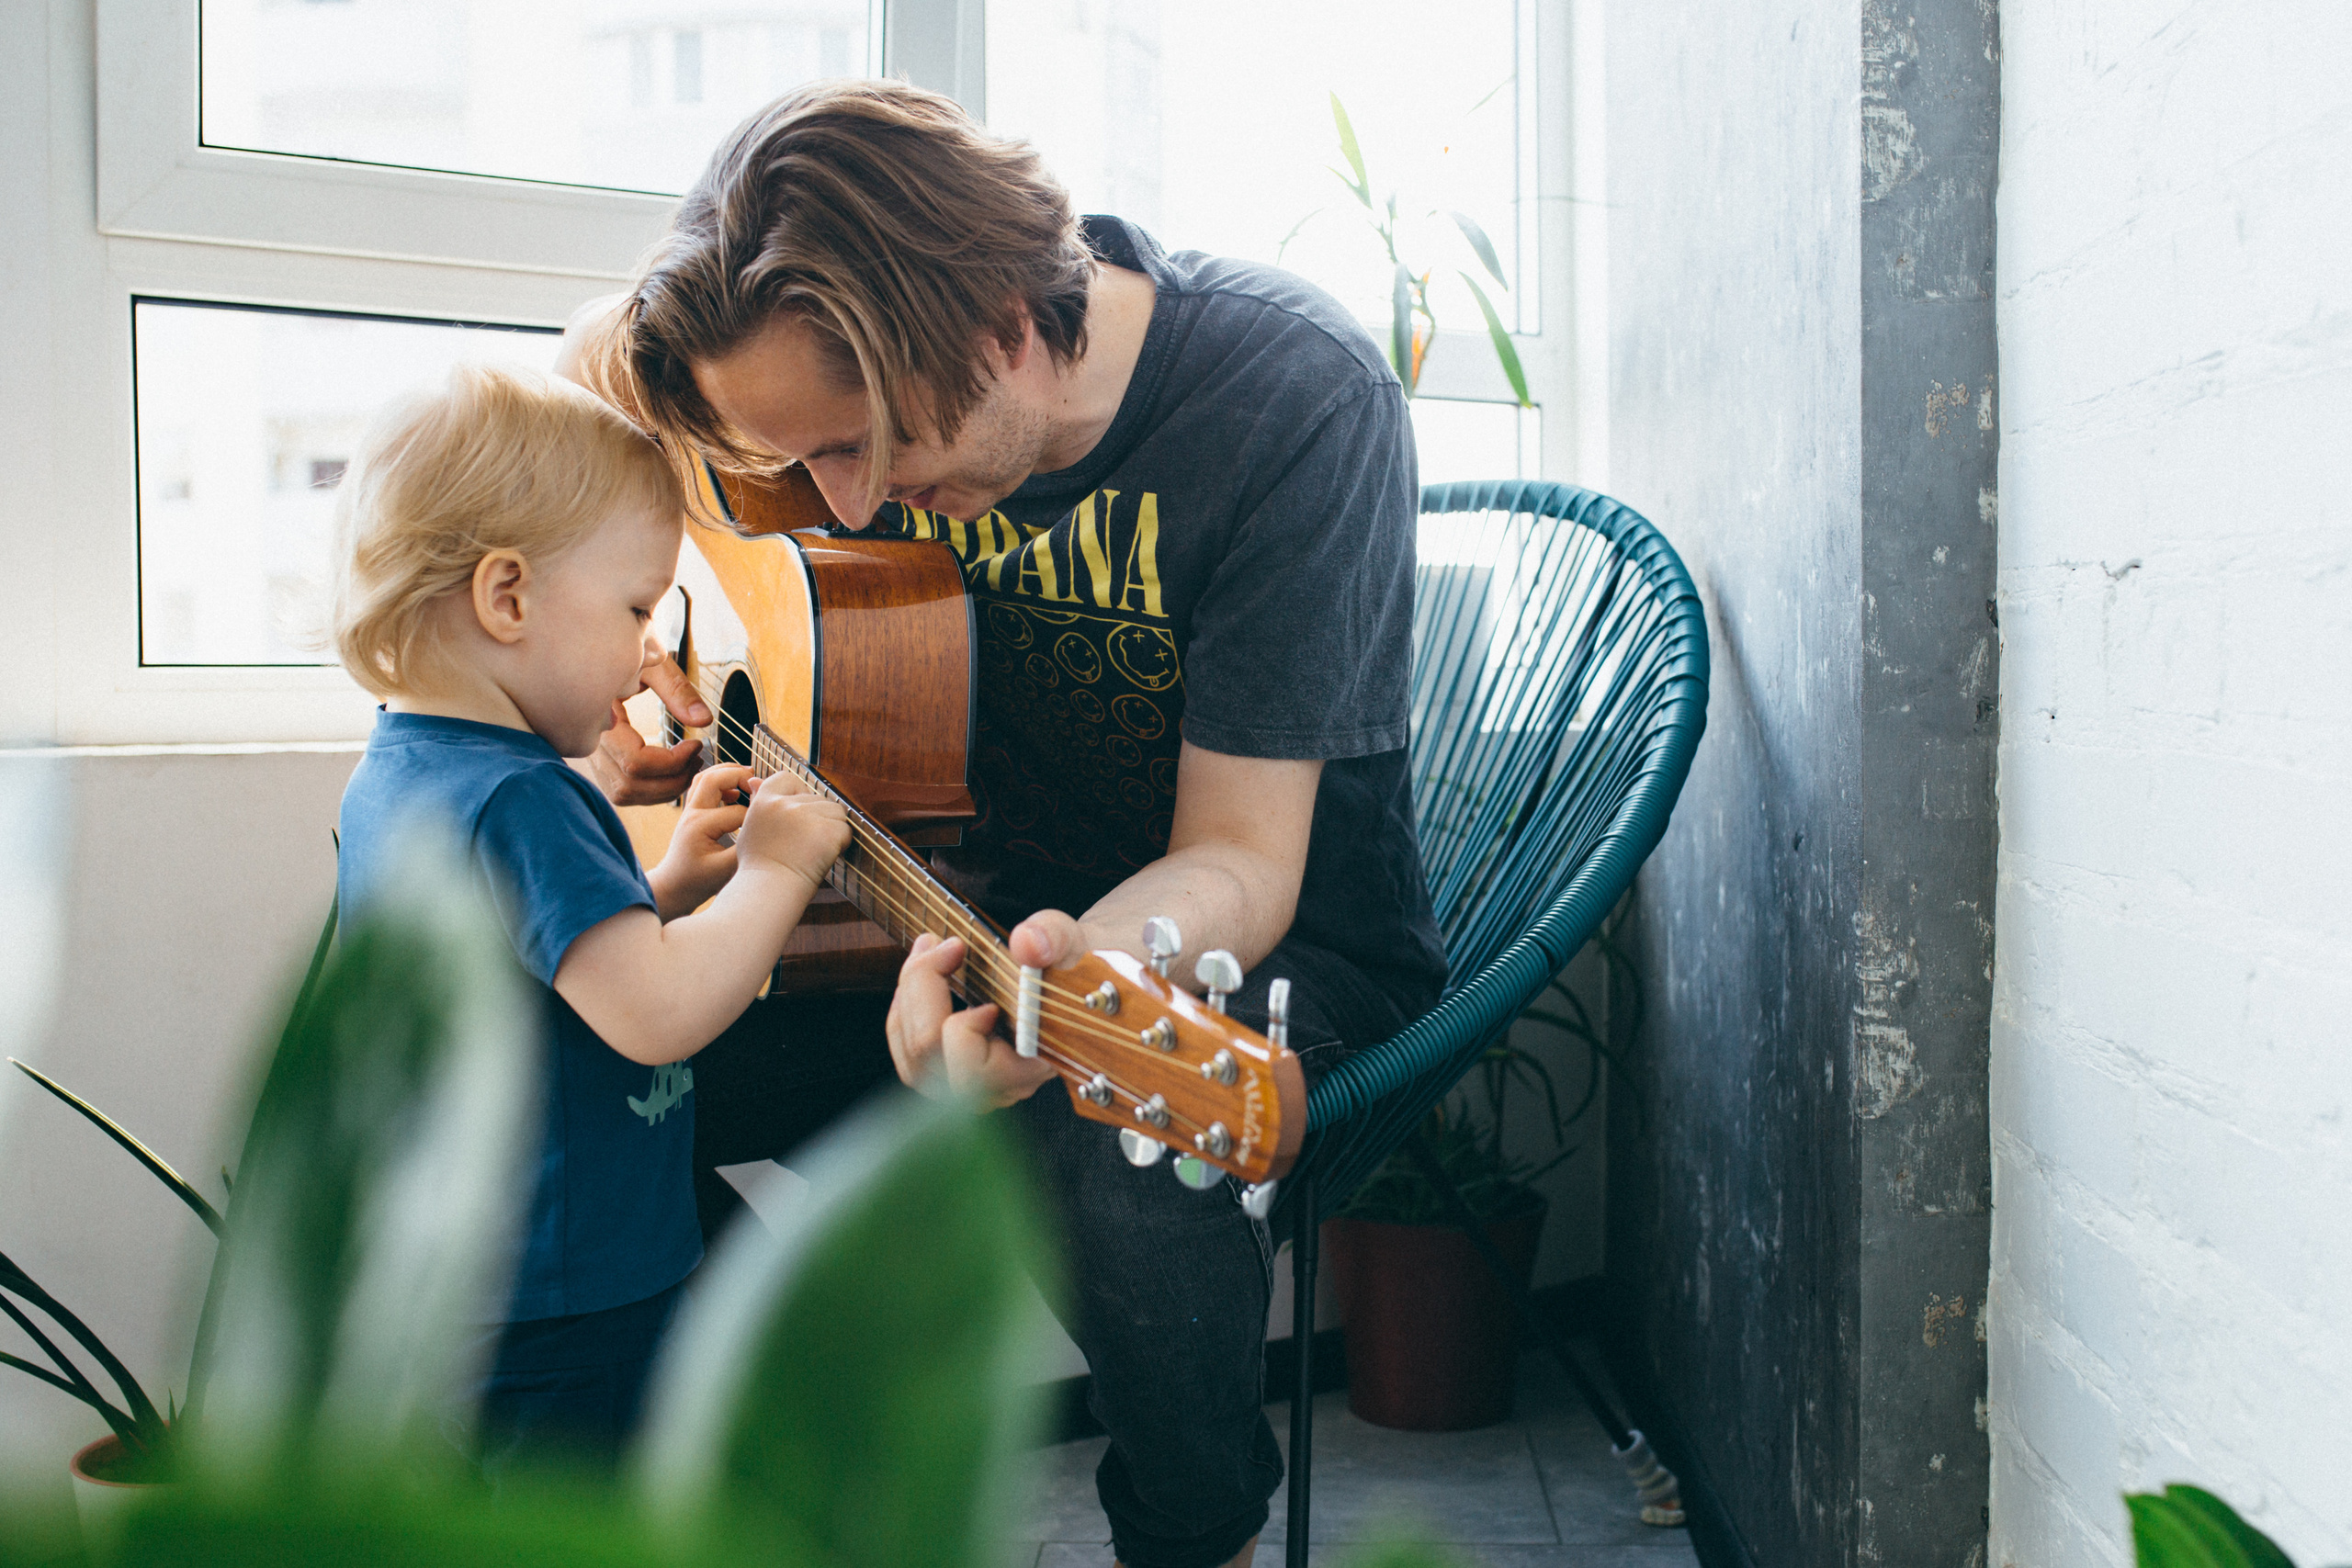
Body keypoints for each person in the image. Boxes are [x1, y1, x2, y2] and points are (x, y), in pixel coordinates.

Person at [568, 80, 1446, 1568]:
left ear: (994, 321)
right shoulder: (822, 421)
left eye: (852, 446)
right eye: (794, 459)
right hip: (943, 909)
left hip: (1268, 963)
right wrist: (678, 687)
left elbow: (1245, 855)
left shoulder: (1287, 398)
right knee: (601, 1070)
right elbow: (616, 432)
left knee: (1124, 1154)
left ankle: (1197, 1535)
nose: (833, 505)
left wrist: (1061, 975)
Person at [327, 364, 851, 1474]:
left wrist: (666, 894)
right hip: (571, 1295)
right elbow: (653, 1012)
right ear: (506, 597)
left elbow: (531, 968)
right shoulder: (523, 793)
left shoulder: (401, 770)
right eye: (632, 610)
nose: (645, 656)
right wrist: (775, 871)